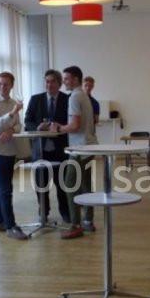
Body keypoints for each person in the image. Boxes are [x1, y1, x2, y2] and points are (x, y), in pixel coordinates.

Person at [49, 65, 97, 239]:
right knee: (85, 186)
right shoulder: (84, 96)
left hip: (79, 149)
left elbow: (75, 125)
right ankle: (88, 221)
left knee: (70, 185)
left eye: (67, 79)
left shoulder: (74, 97)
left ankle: (75, 225)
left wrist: (59, 128)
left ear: (76, 79)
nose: (64, 82)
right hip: (89, 147)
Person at [0, 72, 28, 240]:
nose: (3, 87)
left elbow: (19, 126)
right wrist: (12, 114)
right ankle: (11, 226)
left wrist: (11, 129)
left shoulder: (12, 103)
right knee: (6, 189)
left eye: (6, 84)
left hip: (10, 150)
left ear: (11, 86)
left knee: (2, 188)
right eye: (0, 84)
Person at [24, 69, 70, 224]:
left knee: (62, 183)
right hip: (40, 150)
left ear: (59, 83)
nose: (49, 84)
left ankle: (65, 212)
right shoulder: (35, 99)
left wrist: (58, 127)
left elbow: (70, 124)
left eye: (52, 81)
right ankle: (43, 211)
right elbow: (27, 121)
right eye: (47, 81)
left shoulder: (67, 99)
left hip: (60, 149)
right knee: (41, 183)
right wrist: (38, 127)